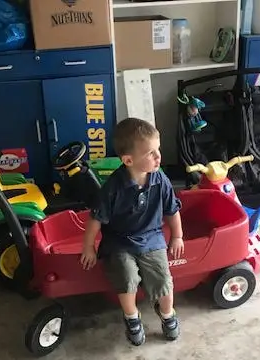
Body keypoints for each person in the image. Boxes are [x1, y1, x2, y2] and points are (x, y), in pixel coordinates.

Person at [80, 117, 184, 346]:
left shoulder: (161, 179)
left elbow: (171, 209)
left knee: (162, 278)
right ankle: (132, 317)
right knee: (126, 277)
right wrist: (88, 247)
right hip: (119, 241)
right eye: (150, 153)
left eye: (158, 149)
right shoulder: (112, 188)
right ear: (128, 160)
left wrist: (177, 236)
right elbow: (96, 219)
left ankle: (167, 314)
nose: (158, 156)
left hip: (152, 237)